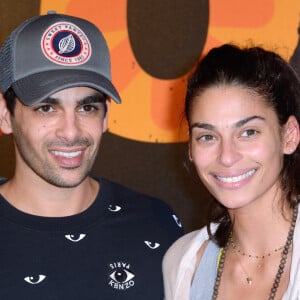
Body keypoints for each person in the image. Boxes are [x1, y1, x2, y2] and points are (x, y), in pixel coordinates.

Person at [0, 11, 183, 300]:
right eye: (46, 108)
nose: (71, 133)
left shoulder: (156, 223)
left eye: (87, 108)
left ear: (106, 114)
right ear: (4, 114)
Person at [163, 44, 300, 300]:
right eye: (207, 136)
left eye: (248, 132)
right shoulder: (183, 262)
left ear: (289, 136)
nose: (227, 156)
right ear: (191, 148)